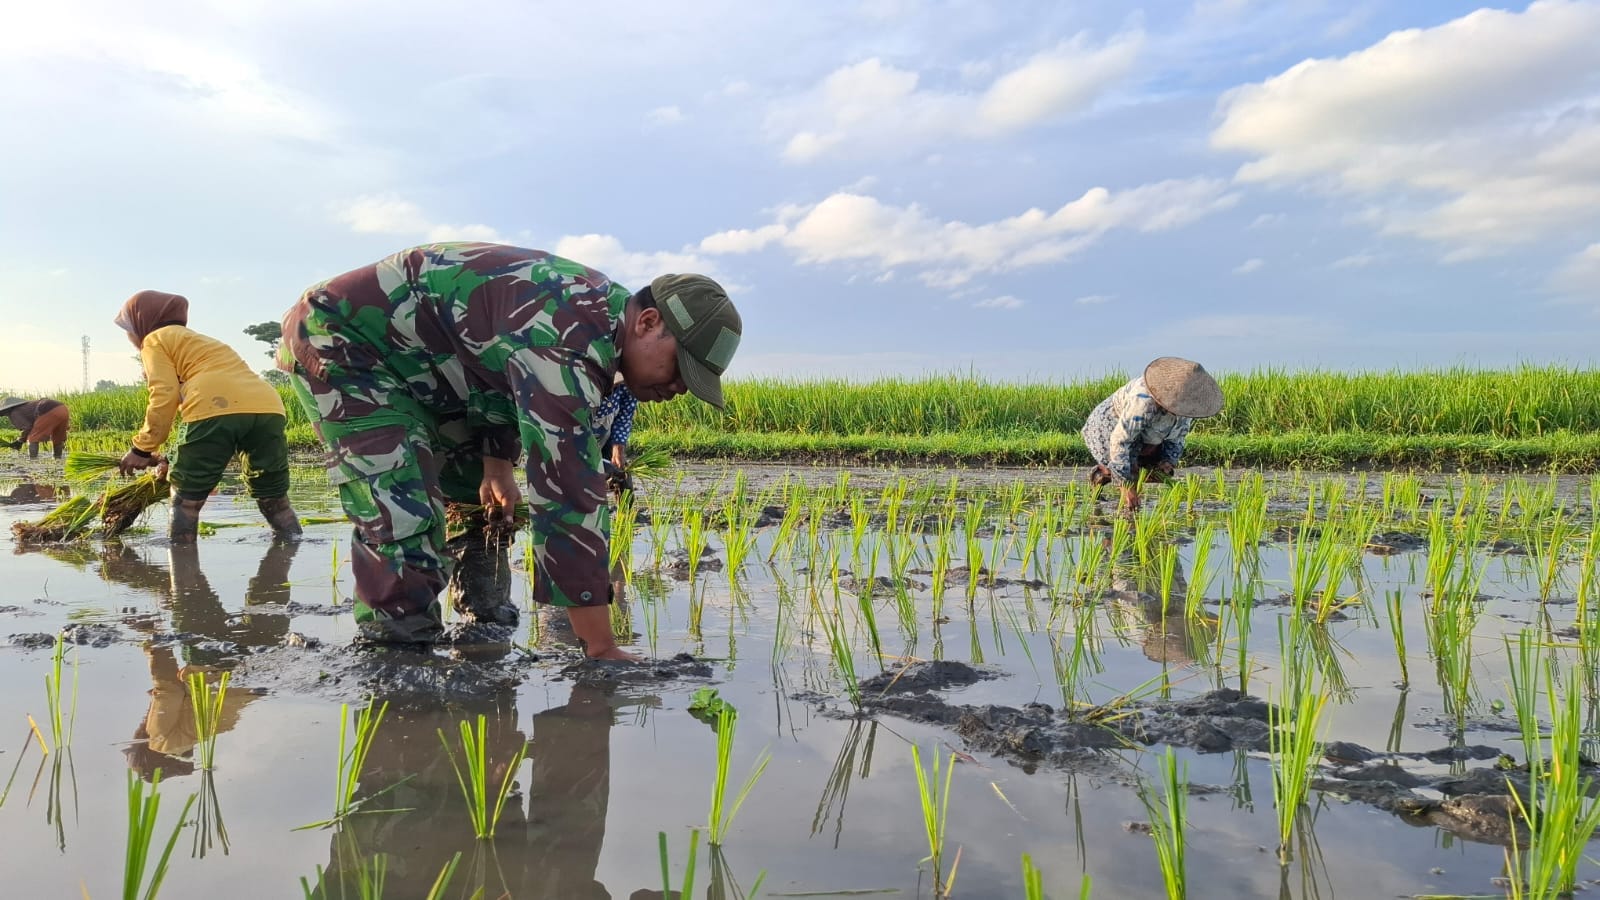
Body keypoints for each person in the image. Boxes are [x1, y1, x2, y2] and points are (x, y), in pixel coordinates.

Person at [278, 242, 741, 658]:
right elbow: (567, 496)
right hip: (346, 343)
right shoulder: (568, 336)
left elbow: (495, 377)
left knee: (473, 493)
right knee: (403, 506)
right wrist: (601, 648)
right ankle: (397, 659)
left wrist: (497, 465)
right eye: (681, 369)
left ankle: (483, 619)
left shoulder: (600, 327)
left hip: (439, 373)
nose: (680, 388)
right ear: (647, 322)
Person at [113, 290, 303, 544]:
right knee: (274, 497)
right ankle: (292, 545)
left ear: (141, 321)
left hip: (215, 405)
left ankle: (184, 572)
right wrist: (171, 456)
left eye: (128, 329)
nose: (129, 336)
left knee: (185, 503)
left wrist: (142, 448)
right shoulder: (203, 342)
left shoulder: (155, 340)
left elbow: (164, 395)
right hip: (268, 407)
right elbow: (199, 413)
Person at [1081, 357, 1223, 511]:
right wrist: (1126, 486)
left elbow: (1178, 436)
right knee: (1130, 469)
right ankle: (1109, 484)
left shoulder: (1187, 407)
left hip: (1151, 433)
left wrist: (1167, 460)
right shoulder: (1142, 400)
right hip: (1112, 425)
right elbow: (1120, 440)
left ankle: (1113, 481)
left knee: (1155, 472)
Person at [598, 378, 638, 495]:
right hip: (580, 434)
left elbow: (624, 416)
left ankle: (625, 511)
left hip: (608, 433)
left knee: (622, 472)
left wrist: (618, 447)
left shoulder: (626, 386)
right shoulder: (587, 386)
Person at [0, 396, 71, 459]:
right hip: (63, 409)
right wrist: (21, 440)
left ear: (6, 409)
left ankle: (33, 461)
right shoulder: (27, 406)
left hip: (47, 410)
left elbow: (28, 428)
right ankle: (57, 459)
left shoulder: (14, 412)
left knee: (33, 438)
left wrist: (20, 441)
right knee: (58, 438)